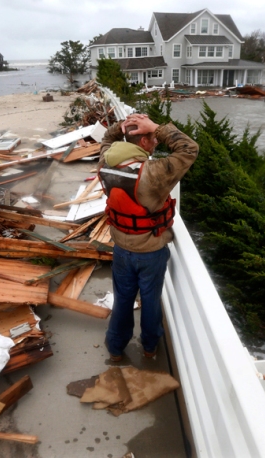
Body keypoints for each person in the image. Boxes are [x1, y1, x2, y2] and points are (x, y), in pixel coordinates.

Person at [98, 113, 198, 361]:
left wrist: (122, 128)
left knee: (122, 301)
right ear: (143, 143)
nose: (155, 142)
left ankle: (116, 348)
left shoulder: (104, 161)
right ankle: (150, 347)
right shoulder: (154, 172)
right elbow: (189, 148)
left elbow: (107, 140)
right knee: (151, 302)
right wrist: (156, 126)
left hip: (121, 248)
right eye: (153, 138)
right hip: (151, 252)